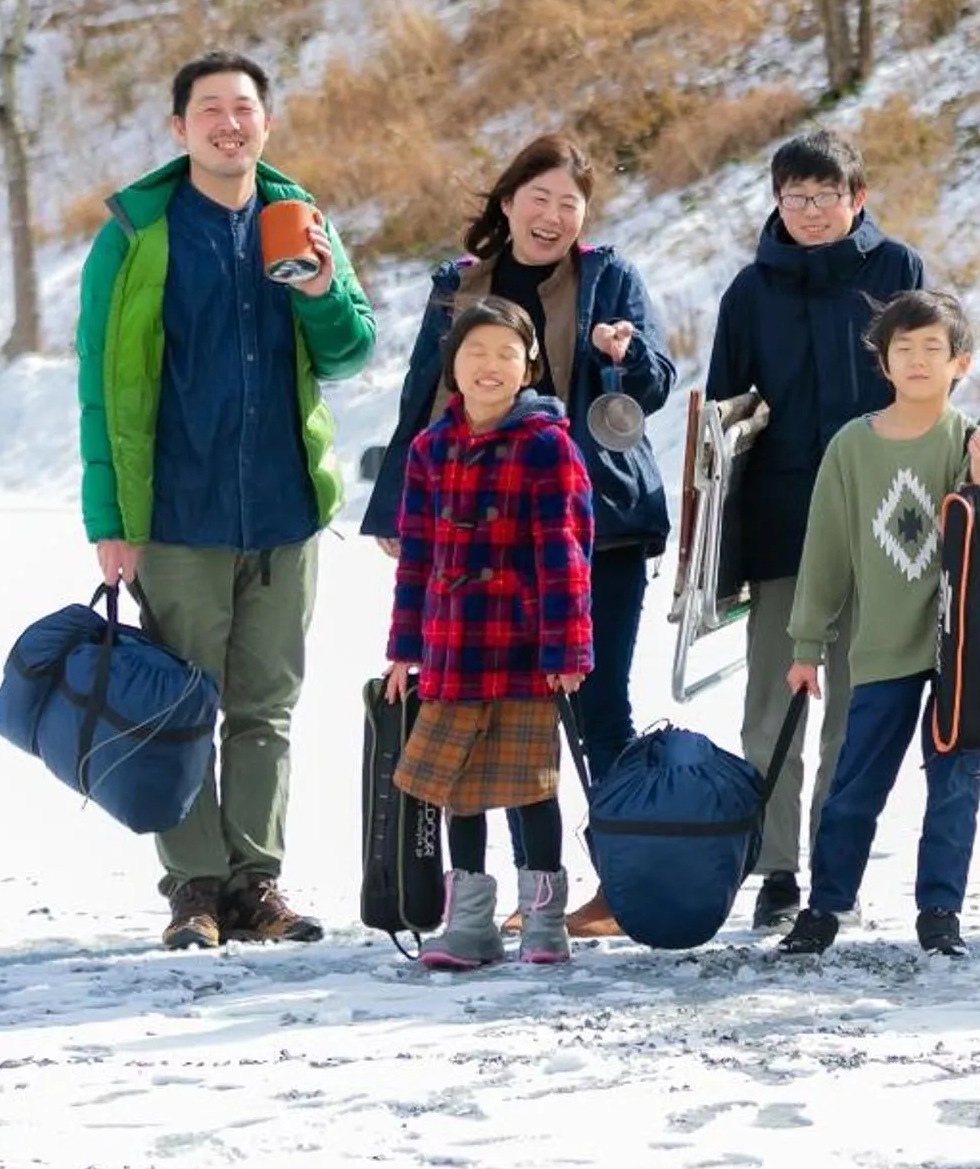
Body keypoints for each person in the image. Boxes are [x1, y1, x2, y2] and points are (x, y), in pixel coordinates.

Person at [75, 51, 377, 952]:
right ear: (180, 129)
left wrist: (323, 291)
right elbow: (99, 383)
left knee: (266, 706)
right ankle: (195, 887)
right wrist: (108, 520)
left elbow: (353, 351)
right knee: (179, 707)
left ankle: (258, 881)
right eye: (209, 109)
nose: (228, 123)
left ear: (266, 124)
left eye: (243, 108)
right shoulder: (138, 236)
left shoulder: (301, 219)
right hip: (176, 513)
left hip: (284, 509)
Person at [364, 133, 677, 938]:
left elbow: (655, 388)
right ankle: (503, 894)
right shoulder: (458, 287)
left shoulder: (610, 280)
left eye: (569, 204)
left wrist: (627, 353)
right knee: (479, 709)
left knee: (598, 706)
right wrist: (399, 510)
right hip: (478, 545)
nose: (552, 216)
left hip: (593, 529)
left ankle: (621, 879)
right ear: (507, 203)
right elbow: (422, 399)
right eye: (537, 198)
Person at [703, 130, 929, 930]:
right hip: (782, 524)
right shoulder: (748, 291)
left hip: (883, 523)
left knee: (857, 706)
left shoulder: (897, 272)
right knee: (776, 702)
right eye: (794, 197)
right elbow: (719, 423)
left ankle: (838, 864)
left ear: (856, 199)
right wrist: (711, 554)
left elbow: (928, 383)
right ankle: (775, 868)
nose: (808, 212)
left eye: (825, 197)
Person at [776, 289, 980, 959]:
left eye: (934, 348)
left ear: (960, 363)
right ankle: (825, 908)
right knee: (854, 787)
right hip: (879, 648)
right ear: (882, 361)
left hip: (959, 653)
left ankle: (941, 912)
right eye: (902, 347)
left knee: (954, 787)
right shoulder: (852, 446)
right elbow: (826, 551)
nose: (917, 360)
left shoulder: (972, 442)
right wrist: (806, 644)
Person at [383, 297, 594, 970]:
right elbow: (416, 557)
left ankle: (543, 921)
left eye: (506, 353)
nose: (490, 366)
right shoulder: (430, 449)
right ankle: (470, 924)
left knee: (531, 785)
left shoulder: (547, 446)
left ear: (529, 365)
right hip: (452, 649)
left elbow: (565, 553)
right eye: (476, 353)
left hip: (525, 650)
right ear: (454, 366)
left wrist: (567, 650)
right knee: (457, 787)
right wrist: (404, 648)